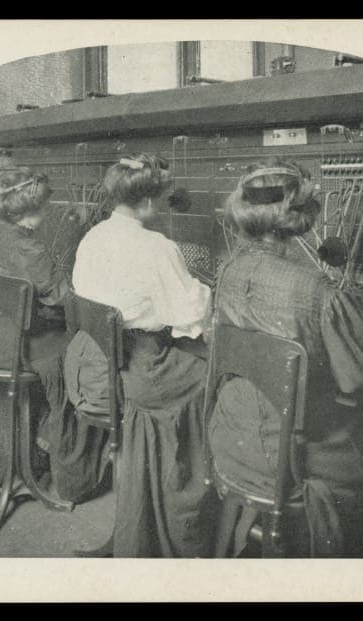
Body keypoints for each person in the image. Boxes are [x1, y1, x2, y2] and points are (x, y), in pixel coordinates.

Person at [208, 159, 363, 557]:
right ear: (298, 217)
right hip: (292, 462)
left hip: (230, 439)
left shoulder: (229, 271)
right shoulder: (315, 288)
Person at [64, 153, 217, 557]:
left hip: (89, 364)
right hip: (137, 369)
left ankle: (149, 508)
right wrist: (205, 290)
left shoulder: (94, 236)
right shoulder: (157, 246)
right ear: (149, 203)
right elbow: (189, 315)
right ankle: (180, 512)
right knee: (214, 377)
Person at [0, 171, 108, 501]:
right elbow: (63, 298)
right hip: (16, 349)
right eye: (46, 203)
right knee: (79, 355)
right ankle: (68, 468)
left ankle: (40, 443)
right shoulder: (29, 248)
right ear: (37, 207)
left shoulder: (0, 235)